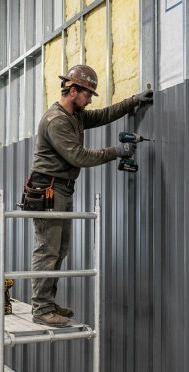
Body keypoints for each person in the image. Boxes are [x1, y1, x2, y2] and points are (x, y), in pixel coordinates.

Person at [25, 64, 153, 327]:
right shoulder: (57, 120)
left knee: (59, 250)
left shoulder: (75, 114)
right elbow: (78, 156)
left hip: (60, 189)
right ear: (73, 90)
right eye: (87, 94)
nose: (90, 99)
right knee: (47, 250)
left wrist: (132, 101)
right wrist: (117, 151)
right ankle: (41, 309)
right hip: (48, 189)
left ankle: (47, 303)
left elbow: (104, 115)